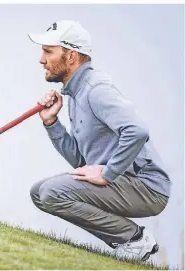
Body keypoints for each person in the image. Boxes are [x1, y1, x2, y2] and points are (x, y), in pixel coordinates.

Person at [28, 20, 171, 261]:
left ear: (71, 56)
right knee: (39, 193)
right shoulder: (75, 92)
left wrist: (108, 173)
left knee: (51, 192)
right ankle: (129, 241)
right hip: (124, 182)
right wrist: (52, 123)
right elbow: (81, 162)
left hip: (147, 187)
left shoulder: (96, 88)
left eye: (48, 51)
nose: (41, 59)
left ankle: (134, 239)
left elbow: (136, 131)